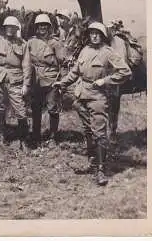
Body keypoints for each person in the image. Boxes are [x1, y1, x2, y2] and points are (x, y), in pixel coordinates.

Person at [54, 22, 131, 186]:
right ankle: (92, 161)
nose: (94, 36)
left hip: (98, 97)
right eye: (91, 33)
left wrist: (106, 80)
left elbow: (125, 71)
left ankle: (101, 170)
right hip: (82, 94)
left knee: (99, 132)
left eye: (97, 33)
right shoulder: (85, 50)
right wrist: (63, 83)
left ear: (102, 36)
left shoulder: (108, 52)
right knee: (88, 130)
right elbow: (75, 72)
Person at [0, 16, 32, 148]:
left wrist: (26, 84)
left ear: (16, 29)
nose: (10, 29)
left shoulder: (23, 44)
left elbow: (26, 65)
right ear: (4, 28)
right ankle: (2, 135)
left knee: (20, 110)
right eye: (7, 26)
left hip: (16, 80)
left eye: (12, 27)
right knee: (0, 108)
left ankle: (23, 139)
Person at [27, 13, 66, 148]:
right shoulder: (30, 42)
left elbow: (63, 62)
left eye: (45, 25)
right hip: (35, 81)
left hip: (51, 79)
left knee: (52, 108)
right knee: (35, 108)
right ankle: (36, 135)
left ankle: (53, 136)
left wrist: (61, 81)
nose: (42, 27)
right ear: (36, 27)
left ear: (49, 27)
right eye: (40, 25)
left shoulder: (55, 43)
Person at [106, 21, 129, 144]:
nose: (109, 31)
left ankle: (113, 132)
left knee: (114, 103)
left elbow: (122, 62)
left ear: (114, 30)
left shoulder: (118, 42)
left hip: (115, 76)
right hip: (106, 76)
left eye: (111, 29)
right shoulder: (105, 42)